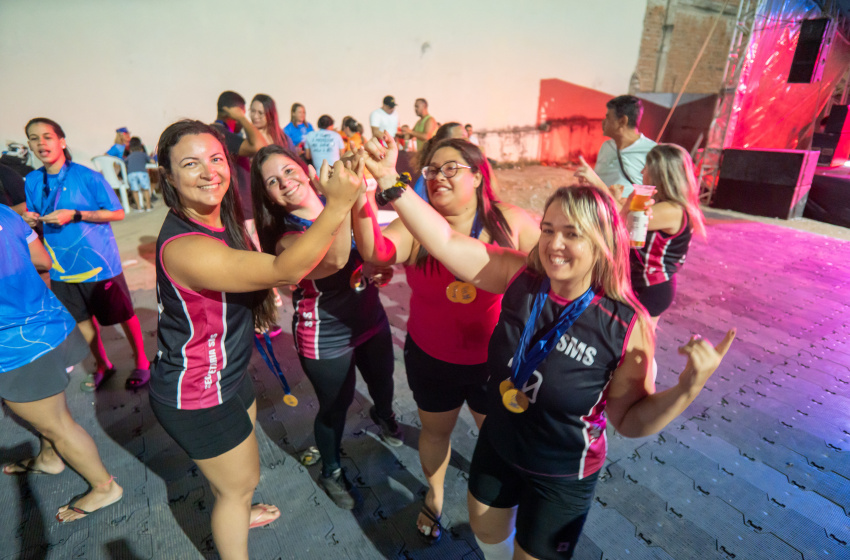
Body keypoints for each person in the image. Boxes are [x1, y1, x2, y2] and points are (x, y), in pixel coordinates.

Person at [359, 134, 736, 559]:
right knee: (486, 532)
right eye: (548, 230)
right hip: (499, 444)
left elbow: (629, 421)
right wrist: (389, 180)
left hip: (562, 472)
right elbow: (444, 241)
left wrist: (687, 388)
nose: (554, 245)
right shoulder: (520, 276)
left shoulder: (627, 324)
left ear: (602, 241)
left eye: (572, 234)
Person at [151, 120, 365, 560]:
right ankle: (235, 516)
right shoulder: (185, 246)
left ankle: (236, 506)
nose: (209, 172)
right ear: (168, 177)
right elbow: (284, 271)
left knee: (235, 475)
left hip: (227, 374)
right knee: (239, 485)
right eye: (190, 164)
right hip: (197, 392)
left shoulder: (218, 221)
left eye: (216, 159)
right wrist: (338, 203)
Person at [350, 134, 540, 543]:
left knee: (497, 438)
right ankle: (434, 496)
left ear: (479, 176)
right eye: (432, 169)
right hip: (432, 357)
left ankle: (500, 501)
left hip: (496, 363)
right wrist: (361, 195)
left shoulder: (511, 222)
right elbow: (376, 252)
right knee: (436, 433)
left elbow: (555, 275)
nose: (438, 176)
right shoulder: (417, 222)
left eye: (451, 168)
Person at [250, 144, 401, 509]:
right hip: (325, 334)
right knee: (335, 406)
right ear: (268, 197)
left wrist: (376, 265)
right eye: (272, 181)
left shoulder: (336, 201)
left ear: (306, 170)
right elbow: (334, 260)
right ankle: (331, 470)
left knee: (383, 380)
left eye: (288, 171)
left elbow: (370, 247)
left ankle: (384, 415)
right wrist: (342, 200)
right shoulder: (286, 237)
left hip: (369, 316)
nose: (285, 182)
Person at [0, 204, 123, 523]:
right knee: (50, 412)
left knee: (57, 424)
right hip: (51, 327)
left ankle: (104, 487)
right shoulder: (4, 212)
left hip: (17, 348)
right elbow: (43, 260)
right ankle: (49, 457)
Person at [22, 118, 151, 391]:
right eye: (34, 138)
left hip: (99, 263)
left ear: (61, 141)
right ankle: (103, 364)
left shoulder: (87, 176)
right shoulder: (32, 181)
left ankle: (142, 361)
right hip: (60, 266)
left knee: (123, 313)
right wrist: (31, 220)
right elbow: (36, 217)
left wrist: (76, 214)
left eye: (47, 136)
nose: (41, 143)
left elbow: (117, 212)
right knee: (81, 320)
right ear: (30, 145)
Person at [623, 144, 705, 325]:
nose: (642, 171)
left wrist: (625, 203)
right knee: (637, 338)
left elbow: (620, 224)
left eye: (646, 167)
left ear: (660, 175)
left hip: (650, 287)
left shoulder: (671, 210)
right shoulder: (674, 207)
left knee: (637, 340)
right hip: (648, 285)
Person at [575, 95, 656, 198]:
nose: (603, 122)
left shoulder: (652, 151)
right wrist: (589, 181)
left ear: (622, 121)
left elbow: (653, 196)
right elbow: (599, 181)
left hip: (626, 207)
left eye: (608, 117)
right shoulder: (606, 146)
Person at [211, 91, 268, 224]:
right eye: (242, 113)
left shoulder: (218, 133)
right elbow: (260, 147)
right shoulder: (221, 133)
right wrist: (242, 118)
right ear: (233, 112)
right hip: (242, 212)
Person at [411, 122, 468, 199]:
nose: (468, 142)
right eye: (463, 138)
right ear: (444, 143)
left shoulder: (466, 171)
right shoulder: (427, 181)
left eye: (467, 137)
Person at [124, 137, 153, 212]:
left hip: (131, 174)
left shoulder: (129, 156)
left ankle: (139, 208)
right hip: (142, 172)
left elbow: (125, 164)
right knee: (145, 189)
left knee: (135, 190)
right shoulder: (143, 154)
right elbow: (151, 161)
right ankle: (148, 206)